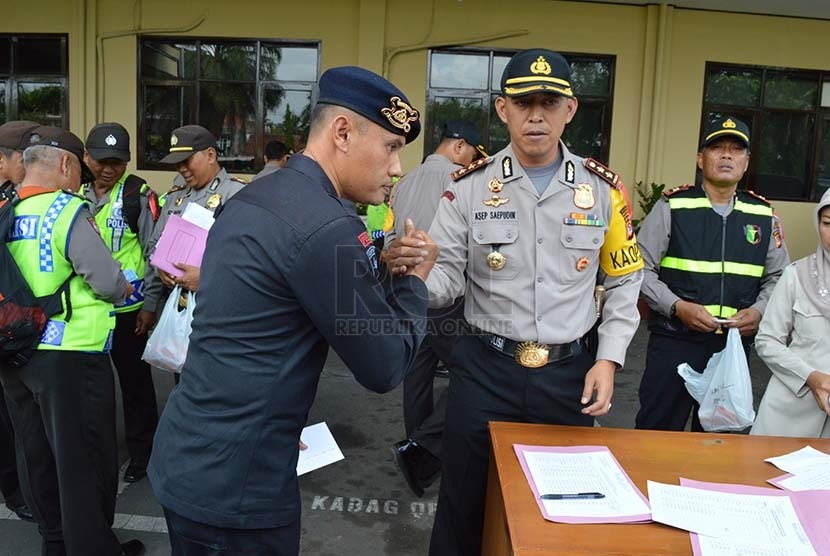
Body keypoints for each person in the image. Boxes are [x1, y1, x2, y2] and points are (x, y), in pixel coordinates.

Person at [148, 66, 437, 556]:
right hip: (238, 489)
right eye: (391, 147)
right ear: (342, 132)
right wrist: (413, 281)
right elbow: (385, 365)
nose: (396, 168)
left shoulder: (260, 195)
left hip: (195, 451)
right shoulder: (326, 225)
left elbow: (247, 320)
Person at [387, 48, 644, 556]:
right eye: (524, 103)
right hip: (484, 371)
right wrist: (414, 270)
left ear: (569, 110)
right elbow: (445, 282)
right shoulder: (469, 189)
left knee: (563, 512)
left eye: (549, 103)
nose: (536, 116)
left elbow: (623, 280)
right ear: (503, 109)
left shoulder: (602, 192)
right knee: (462, 509)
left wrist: (609, 359)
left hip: (569, 376)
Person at [0, 126, 144, 556]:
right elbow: (104, 280)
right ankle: (95, 549)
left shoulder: (6, 208)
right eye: (79, 167)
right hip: (69, 355)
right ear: (64, 164)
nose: (83, 176)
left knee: (34, 453)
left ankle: (56, 542)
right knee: (82, 460)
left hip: (13, 351)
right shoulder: (67, 211)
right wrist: (125, 288)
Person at [635, 116, 790, 432]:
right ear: (700, 159)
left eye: (736, 150)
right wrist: (677, 307)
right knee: (657, 434)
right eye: (717, 147)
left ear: (746, 162)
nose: (727, 155)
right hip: (675, 342)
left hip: (731, 347)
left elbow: (779, 276)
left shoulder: (762, 215)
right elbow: (639, 267)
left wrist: (760, 312)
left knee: (720, 441)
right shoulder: (673, 206)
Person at [389, 119, 487, 498]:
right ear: (460, 146)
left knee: (416, 378)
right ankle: (424, 450)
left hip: (409, 292)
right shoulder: (464, 181)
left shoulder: (405, 179)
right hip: (447, 296)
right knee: (476, 372)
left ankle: (416, 456)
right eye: (472, 155)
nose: (471, 162)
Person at [82, 122, 160, 483]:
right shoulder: (75, 192)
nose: (108, 169)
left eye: (116, 161)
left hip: (130, 314)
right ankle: (94, 452)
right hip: (89, 313)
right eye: (101, 161)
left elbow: (152, 250)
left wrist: (149, 306)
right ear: (86, 157)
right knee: (92, 388)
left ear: (127, 161)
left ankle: (143, 452)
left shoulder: (138, 195)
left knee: (135, 385)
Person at [142, 125, 246, 316]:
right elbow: (153, 246)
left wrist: (206, 278)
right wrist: (160, 270)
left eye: (186, 161)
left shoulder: (238, 195)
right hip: (174, 309)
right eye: (177, 164)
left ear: (211, 155)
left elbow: (248, 258)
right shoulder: (175, 196)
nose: (181, 169)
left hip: (218, 310)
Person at [751, 189, 830, 438]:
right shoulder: (796, 275)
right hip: (790, 415)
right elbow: (766, 340)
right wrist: (811, 377)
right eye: (828, 223)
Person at [0, 119, 40, 523]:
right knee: (9, 420)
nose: (32, 163)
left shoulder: (22, 196)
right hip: (7, 327)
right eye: (25, 156)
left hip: (21, 324)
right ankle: (16, 492)